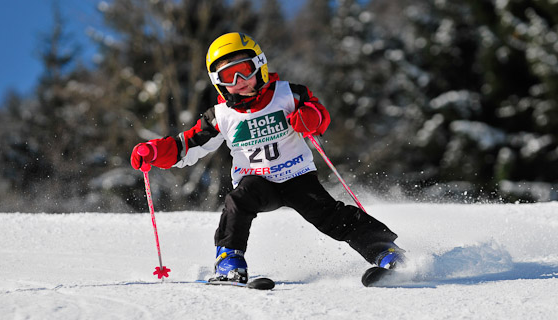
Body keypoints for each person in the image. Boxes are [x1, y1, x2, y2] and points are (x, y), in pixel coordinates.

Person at [131, 32, 404, 284]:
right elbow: (188, 145)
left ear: (260, 65)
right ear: (218, 82)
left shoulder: (289, 94)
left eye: (244, 71)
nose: (239, 82)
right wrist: (155, 152)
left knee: (328, 215)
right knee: (237, 202)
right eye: (229, 76)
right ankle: (229, 261)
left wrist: (310, 118)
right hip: (256, 181)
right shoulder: (221, 115)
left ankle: (385, 250)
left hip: (297, 176)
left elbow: (319, 115)